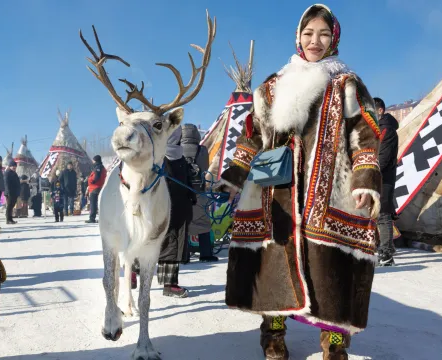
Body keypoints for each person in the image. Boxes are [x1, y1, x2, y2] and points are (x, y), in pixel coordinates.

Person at [215, 5, 381, 359]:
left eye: (323, 34)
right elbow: (253, 135)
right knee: (273, 267)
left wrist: (365, 179)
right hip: (276, 194)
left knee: (331, 274)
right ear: (298, 37)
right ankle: (273, 338)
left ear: (333, 38)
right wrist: (234, 175)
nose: (314, 41)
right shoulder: (272, 87)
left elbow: (365, 132)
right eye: (308, 34)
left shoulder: (345, 83)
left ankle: (334, 345)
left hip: (330, 195)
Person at [157, 126, 196, 298]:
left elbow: (186, 180)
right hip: (166, 209)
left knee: (173, 245)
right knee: (167, 245)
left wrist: (192, 192)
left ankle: (170, 283)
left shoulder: (179, 156)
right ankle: (169, 285)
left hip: (181, 208)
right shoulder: (159, 157)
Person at [181, 123, 218, 262]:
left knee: (183, 225)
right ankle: (206, 254)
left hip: (182, 193)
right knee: (203, 223)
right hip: (200, 192)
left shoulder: (177, 150)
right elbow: (205, 168)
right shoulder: (202, 150)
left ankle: (183, 257)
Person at [374, 97, 399, 267]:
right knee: (381, 215)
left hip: (384, 178)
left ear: (380, 110)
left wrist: (371, 173)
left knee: (383, 216)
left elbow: (382, 157)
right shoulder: (379, 128)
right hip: (379, 177)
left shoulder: (387, 130)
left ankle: (387, 254)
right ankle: (387, 248)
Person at [86, 155, 107, 223]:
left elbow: (97, 176)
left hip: (95, 187)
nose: (93, 161)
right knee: (98, 203)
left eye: (93, 160)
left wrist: (93, 181)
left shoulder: (98, 167)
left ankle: (92, 218)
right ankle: (102, 217)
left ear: (96, 160)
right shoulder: (101, 167)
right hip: (97, 187)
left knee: (93, 203)